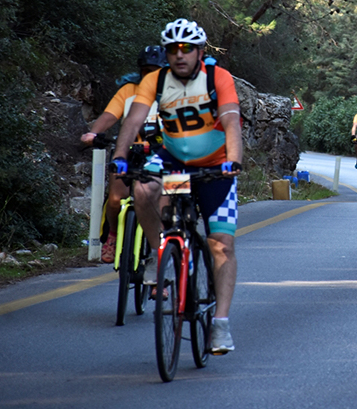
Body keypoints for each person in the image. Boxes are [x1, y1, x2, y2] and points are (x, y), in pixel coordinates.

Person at [111, 18, 243, 354]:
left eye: (186, 49)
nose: (179, 55)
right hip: (174, 164)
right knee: (143, 189)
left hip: (216, 168)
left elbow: (230, 119)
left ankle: (221, 325)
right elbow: (134, 120)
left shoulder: (218, 78)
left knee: (221, 246)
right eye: (172, 49)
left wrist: (233, 160)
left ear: (200, 51)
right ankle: (160, 254)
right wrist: (120, 156)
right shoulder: (155, 80)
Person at [80, 46, 167, 264]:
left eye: (156, 71)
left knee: (167, 205)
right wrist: (93, 133)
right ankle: (113, 235)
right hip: (131, 151)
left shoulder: (174, 92)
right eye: (146, 70)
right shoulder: (129, 90)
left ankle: (163, 257)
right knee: (116, 199)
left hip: (163, 154)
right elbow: (110, 115)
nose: (151, 75)